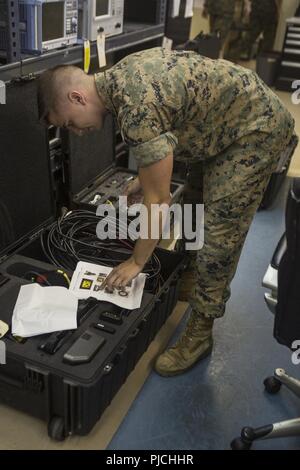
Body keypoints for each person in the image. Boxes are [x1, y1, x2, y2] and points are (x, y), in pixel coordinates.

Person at [37, 47, 295, 377]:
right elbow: (169, 131)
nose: (76, 131)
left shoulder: (135, 108)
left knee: (220, 230)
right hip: (220, 126)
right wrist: (146, 180)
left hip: (255, 129)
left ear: (77, 97)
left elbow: (158, 203)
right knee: (193, 205)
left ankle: (200, 332)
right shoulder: (118, 80)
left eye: (70, 123)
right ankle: (190, 276)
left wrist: (136, 261)